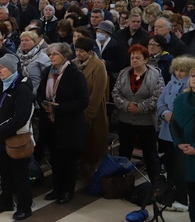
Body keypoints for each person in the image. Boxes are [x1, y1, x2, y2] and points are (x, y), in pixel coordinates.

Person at [36, 42, 89, 204]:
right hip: (51, 123)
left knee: (68, 160)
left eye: (55, 54)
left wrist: (59, 108)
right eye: (50, 54)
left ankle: (68, 190)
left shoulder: (74, 74)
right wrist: (44, 104)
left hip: (69, 124)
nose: (51, 57)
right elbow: (39, 93)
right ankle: (57, 188)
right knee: (55, 158)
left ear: (64, 56)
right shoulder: (47, 72)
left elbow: (83, 101)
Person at [0, 53, 34, 221]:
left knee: (19, 174)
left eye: (3, 67)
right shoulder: (0, 86)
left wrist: (0, 131)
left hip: (17, 138)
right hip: (1, 136)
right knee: (4, 172)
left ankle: (24, 206)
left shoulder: (22, 88)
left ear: (13, 69)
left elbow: (21, 117)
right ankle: (5, 201)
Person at [112, 44, 165, 182]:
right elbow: (115, 93)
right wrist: (126, 105)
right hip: (125, 119)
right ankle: (121, 182)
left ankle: (156, 184)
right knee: (124, 152)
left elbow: (158, 96)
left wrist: (140, 107)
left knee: (150, 154)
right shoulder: (124, 73)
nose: (134, 60)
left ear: (146, 59)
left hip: (146, 122)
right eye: (132, 57)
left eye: (138, 58)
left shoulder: (155, 74)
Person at [158, 56, 195, 212]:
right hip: (177, 140)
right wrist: (179, 141)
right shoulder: (180, 96)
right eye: (193, 75)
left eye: (184, 72)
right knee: (177, 171)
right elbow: (161, 104)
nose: (180, 74)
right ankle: (179, 198)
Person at [72, 37, 109, 174]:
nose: (78, 54)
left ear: (89, 52)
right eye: (76, 50)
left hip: (93, 110)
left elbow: (97, 93)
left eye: (82, 51)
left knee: (94, 143)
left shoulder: (98, 65)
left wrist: (89, 114)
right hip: (76, 109)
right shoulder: (73, 64)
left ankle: (96, 170)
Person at [169, 68, 195, 222]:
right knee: (193, 198)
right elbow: (174, 124)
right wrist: (179, 143)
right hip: (187, 157)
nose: (194, 79)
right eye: (193, 75)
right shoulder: (181, 99)